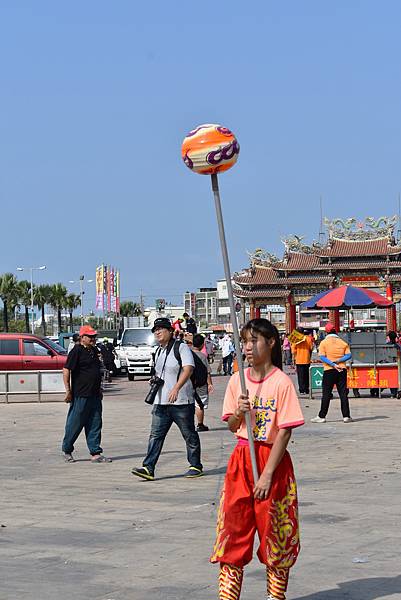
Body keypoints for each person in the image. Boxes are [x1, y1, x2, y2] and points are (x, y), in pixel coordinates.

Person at [210, 318, 304, 600]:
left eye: (254, 341)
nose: (248, 348)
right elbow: (230, 425)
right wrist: (239, 411)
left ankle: (275, 596)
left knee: (275, 532)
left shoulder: (281, 382)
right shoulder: (237, 381)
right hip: (241, 458)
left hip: (272, 461)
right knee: (233, 530)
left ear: (271, 342)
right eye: (245, 342)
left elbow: (285, 431)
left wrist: (267, 475)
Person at [131, 317, 203, 480]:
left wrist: (176, 388)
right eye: (155, 330)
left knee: (189, 434)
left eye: (161, 329)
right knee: (155, 436)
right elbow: (159, 373)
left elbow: (188, 369)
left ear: (170, 331)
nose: (157, 332)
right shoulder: (158, 351)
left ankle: (195, 465)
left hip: (181, 402)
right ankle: (148, 468)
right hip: (160, 401)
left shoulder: (181, 347)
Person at [62, 325, 112, 463]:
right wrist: (68, 391)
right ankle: (67, 449)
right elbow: (66, 370)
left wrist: (100, 389)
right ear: (82, 337)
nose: (93, 339)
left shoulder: (94, 350)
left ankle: (95, 452)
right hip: (80, 395)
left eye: (94, 336)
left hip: (95, 395)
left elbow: (96, 372)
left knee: (95, 423)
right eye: (90, 336)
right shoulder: (76, 351)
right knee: (75, 423)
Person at [311, 323, 353, 423]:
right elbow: (349, 355)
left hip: (329, 370)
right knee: (343, 394)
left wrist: (332, 364)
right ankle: (346, 416)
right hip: (341, 369)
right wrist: (338, 361)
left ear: (326, 332)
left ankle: (322, 416)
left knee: (326, 394)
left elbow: (322, 357)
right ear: (335, 331)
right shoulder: (343, 342)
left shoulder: (324, 343)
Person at [192, 333, 214, 432]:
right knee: (200, 404)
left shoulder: (187, 354)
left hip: (188, 384)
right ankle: (200, 424)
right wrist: (210, 384)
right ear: (202, 344)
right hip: (200, 385)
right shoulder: (202, 356)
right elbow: (207, 372)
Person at [291, 328, 313, 394]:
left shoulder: (295, 339)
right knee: (307, 375)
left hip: (299, 360)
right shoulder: (308, 338)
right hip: (307, 359)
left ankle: (301, 389)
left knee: (300, 376)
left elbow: (293, 351)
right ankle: (307, 389)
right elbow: (311, 348)